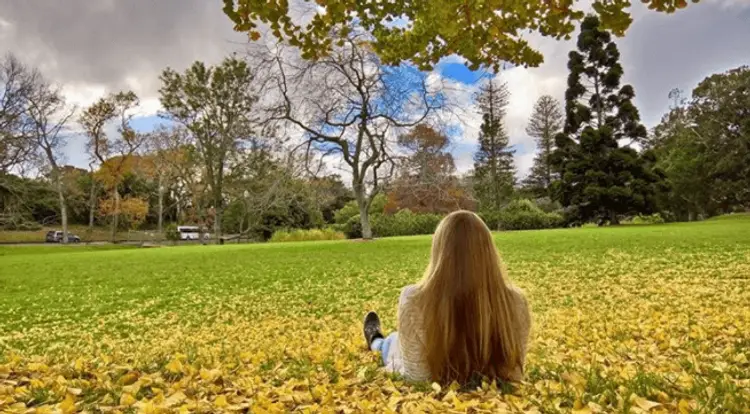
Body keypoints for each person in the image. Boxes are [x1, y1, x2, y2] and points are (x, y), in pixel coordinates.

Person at [363, 210, 531, 384]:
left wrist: (391, 367)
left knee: (392, 343)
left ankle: (376, 340)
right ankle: (377, 340)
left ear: (439, 252)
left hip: (419, 360)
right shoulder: (516, 301)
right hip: (428, 356)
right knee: (395, 340)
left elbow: (416, 377)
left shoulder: (413, 299)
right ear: (489, 251)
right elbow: (515, 374)